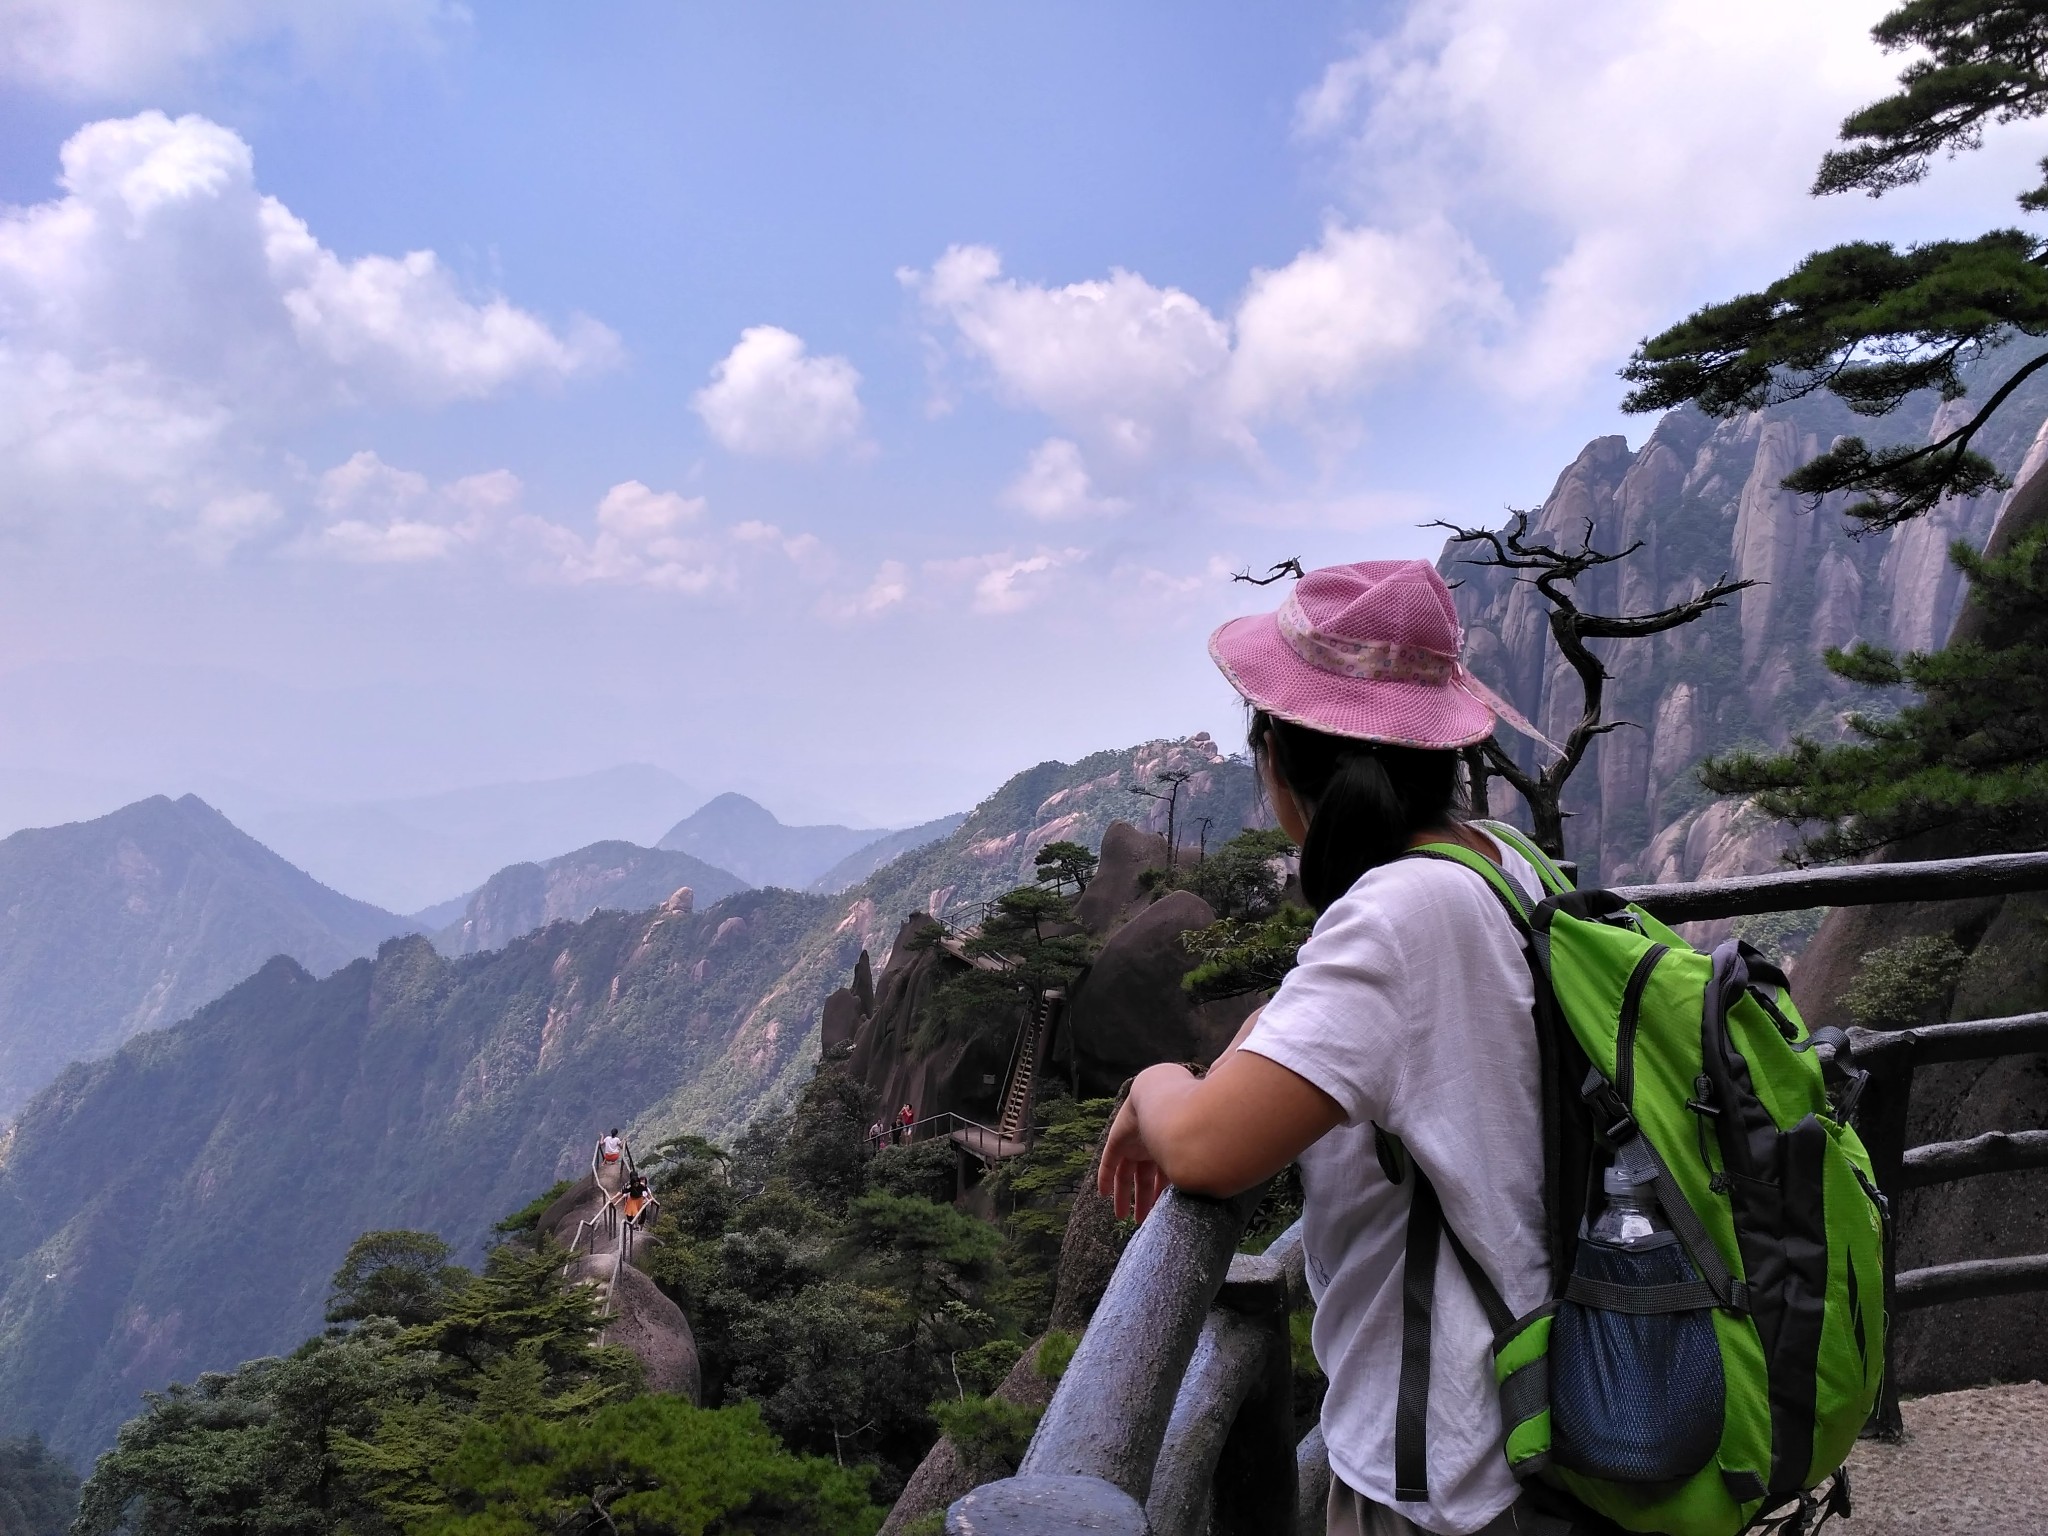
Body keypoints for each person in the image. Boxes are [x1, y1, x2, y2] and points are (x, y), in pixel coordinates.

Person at [1096, 560, 1568, 1536]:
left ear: (1277, 759)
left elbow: (1203, 1150)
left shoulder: (1396, 917)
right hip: (1545, 1396)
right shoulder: (1499, 863)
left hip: (1449, 1470)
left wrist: (1151, 1083)